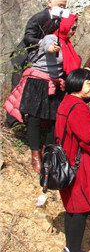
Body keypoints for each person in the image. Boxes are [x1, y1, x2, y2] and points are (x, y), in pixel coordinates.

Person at [4, 15, 79, 173]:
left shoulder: (67, 44)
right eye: (72, 27)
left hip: (55, 84)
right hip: (38, 82)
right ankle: (35, 155)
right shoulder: (52, 37)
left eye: (76, 28)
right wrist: (52, 48)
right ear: (65, 26)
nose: (74, 31)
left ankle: (46, 153)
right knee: (34, 119)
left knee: (55, 121)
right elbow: (47, 46)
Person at [56, 69, 90, 252]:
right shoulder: (78, 107)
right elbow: (88, 139)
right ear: (76, 84)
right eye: (88, 83)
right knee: (80, 210)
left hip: (67, 162)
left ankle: (70, 249)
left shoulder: (66, 103)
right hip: (79, 164)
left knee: (72, 208)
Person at [7, 0, 68, 127]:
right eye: (60, 4)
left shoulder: (60, 20)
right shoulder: (39, 17)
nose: (62, 8)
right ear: (49, 3)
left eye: (64, 5)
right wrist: (44, 43)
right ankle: (12, 123)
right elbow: (28, 37)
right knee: (18, 90)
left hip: (44, 63)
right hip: (25, 59)